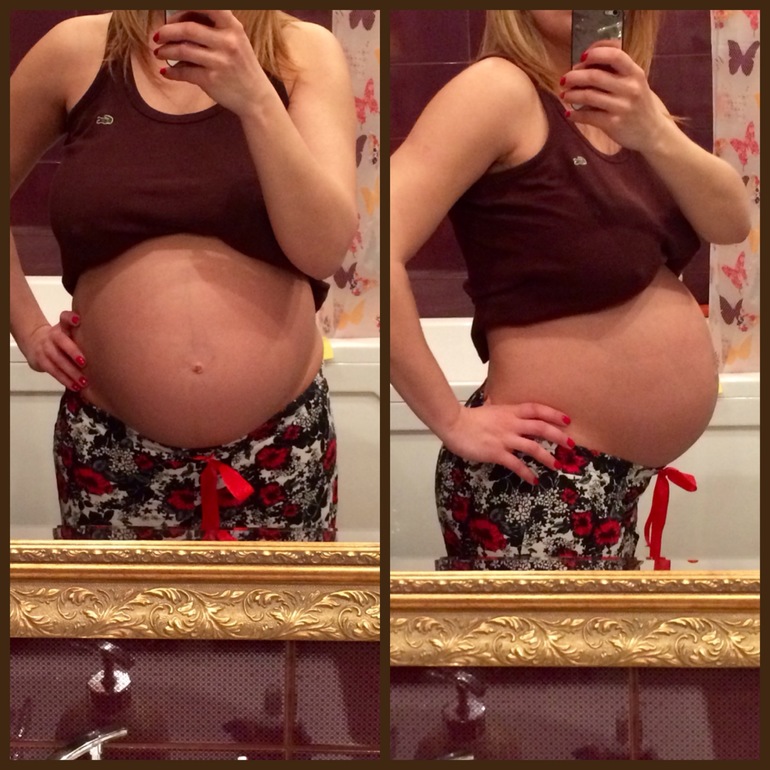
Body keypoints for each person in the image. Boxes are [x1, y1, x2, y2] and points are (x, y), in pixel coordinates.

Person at [390, 10, 751, 570]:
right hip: (542, 479)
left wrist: (653, 130)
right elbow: (374, 242)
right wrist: (451, 421)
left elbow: (730, 222)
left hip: (611, 483)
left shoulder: (623, 102)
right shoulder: (498, 90)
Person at [10, 10, 357, 541]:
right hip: (109, 447)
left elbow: (323, 251)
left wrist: (256, 98)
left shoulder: (304, 51)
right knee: (111, 601)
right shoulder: (75, 49)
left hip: (279, 446)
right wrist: (28, 328)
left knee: (285, 601)